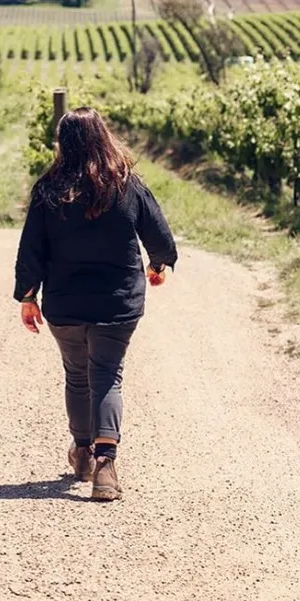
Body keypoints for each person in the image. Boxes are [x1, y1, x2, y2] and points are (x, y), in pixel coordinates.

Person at [14, 106, 177, 501]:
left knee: (77, 375)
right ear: (102, 136)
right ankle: (105, 464)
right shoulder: (126, 184)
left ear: (62, 143)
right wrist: (160, 264)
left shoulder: (49, 189)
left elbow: (31, 247)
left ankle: (83, 452)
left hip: (65, 303)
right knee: (106, 374)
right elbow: (158, 235)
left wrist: (27, 295)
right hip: (116, 303)